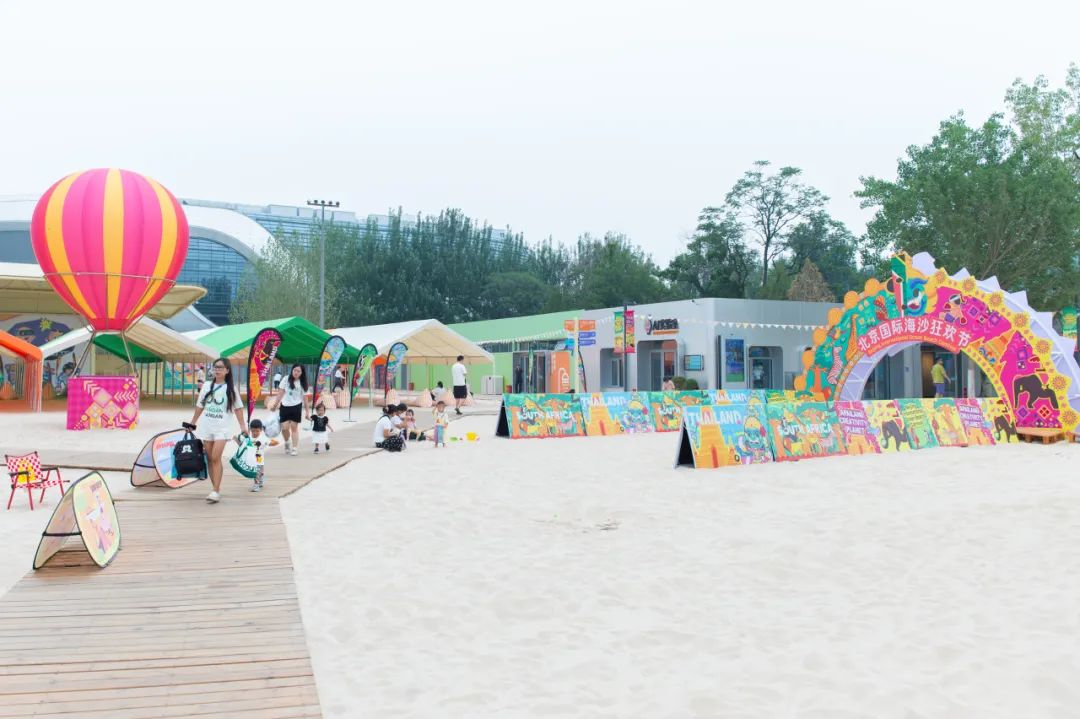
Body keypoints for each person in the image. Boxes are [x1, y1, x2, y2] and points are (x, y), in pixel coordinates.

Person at [189, 357, 245, 503]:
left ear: (227, 370)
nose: (217, 370)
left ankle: (215, 490)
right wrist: (193, 423)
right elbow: (200, 406)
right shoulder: (207, 386)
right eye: (215, 367)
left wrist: (243, 427)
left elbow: (238, 409)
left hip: (222, 429)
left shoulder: (231, 388)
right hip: (207, 427)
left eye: (220, 367)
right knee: (209, 458)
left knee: (215, 457)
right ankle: (215, 489)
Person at [273, 363, 311, 456]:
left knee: (294, 427)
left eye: (298, 371)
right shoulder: (286, 379)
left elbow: (305, 398)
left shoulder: (302, 383)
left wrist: (307, 412)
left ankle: (294, 448)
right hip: (284, 406)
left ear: (301, 373)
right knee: (284, 428)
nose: (296, 372)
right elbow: (280, 393)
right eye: (294, 370)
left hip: (296, 406)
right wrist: (275, 405)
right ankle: (287, 442)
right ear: (292, 370)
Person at [234, 418, 273, 493]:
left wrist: (274, 443)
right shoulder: (249, 438)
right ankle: (256, 485)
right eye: (253, 431)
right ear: (250, 430)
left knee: (260, 472)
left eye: (257, 431)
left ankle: (260, 479)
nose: (255, 433)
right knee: (255, 472)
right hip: (252, 459)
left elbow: (269, 443)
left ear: (261, 430)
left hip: (259, 459)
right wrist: (236, 439)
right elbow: (242, 445)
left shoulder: (262, 438)